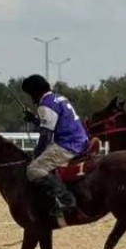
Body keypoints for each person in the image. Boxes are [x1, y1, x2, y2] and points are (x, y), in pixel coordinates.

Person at [20, 74, 90, 218]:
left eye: (29, 94)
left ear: (35, 92)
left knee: (33, 170)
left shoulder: (45, 104)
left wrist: (36, 155)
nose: (30, 98)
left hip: (68, 145)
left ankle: (65, 199)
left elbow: (45, 135)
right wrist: (34, 119)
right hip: (80, 140)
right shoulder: (59, 98)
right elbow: (51, 124)